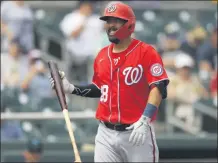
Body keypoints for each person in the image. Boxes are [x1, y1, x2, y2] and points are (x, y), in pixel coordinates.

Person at [50, 2, 169, 162]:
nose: (110, 25)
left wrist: (145, 119)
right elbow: (100, 89)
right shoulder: (101, 56)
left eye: (116, 20)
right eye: (108, 20)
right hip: (105, 133)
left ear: (129, 23)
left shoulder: (146, 52)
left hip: (136, 131)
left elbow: (158, 86)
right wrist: (71, 88)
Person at [59, 1, 104, 83]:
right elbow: (72, 34)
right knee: (68, 77)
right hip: (73, 54)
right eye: (88, 6)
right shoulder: (71, 18)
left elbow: (106, 28)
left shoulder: (95, 19)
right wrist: (84, 22)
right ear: (82, 6)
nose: (90, 8)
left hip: (91, 55)